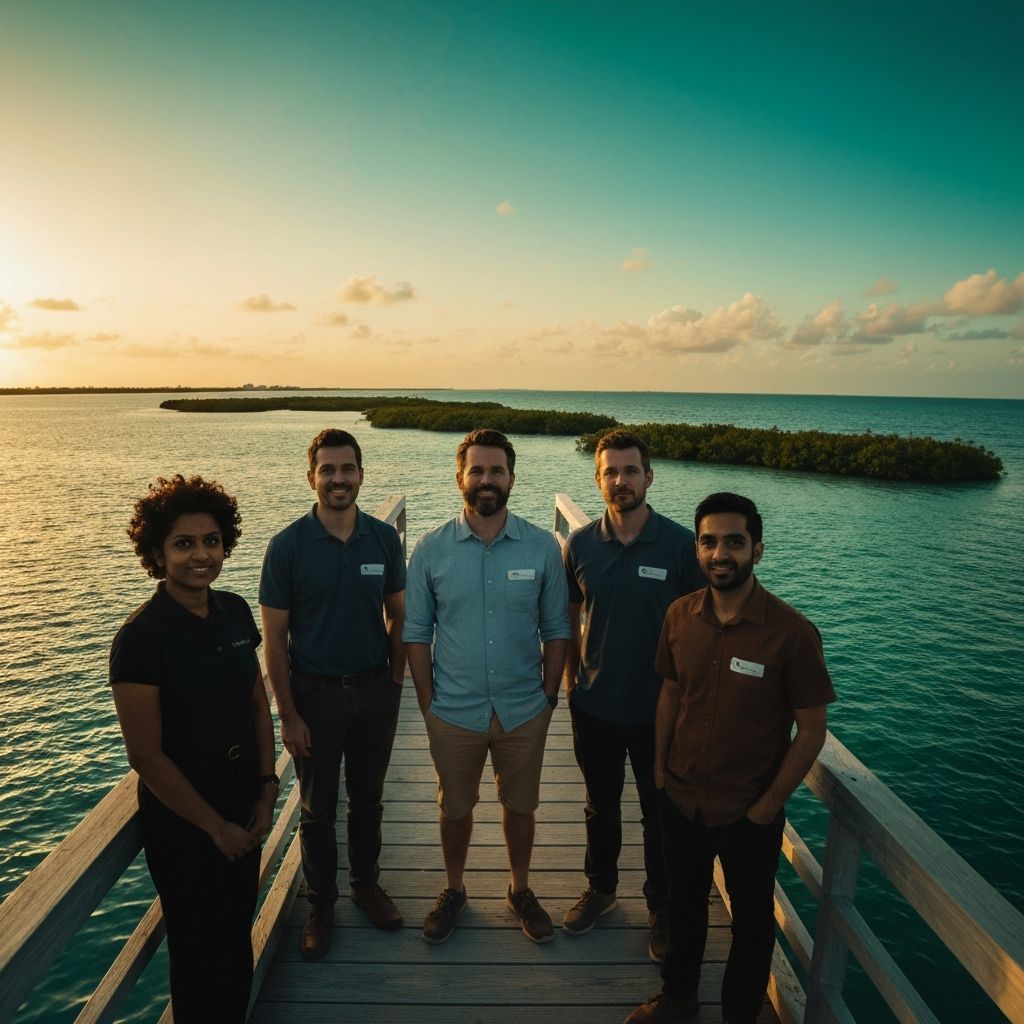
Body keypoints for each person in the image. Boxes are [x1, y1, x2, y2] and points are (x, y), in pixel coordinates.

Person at [626, 492, 836, 1024]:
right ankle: (678, 997)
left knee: (751, 925)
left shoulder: (792, 634)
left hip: (748, 810)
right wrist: (658, 769)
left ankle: (738, 1015)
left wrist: (768, 805)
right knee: (683, 906)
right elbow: (671, 693)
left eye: (734, 543)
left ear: (758, 551)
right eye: (709, 542)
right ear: (697, 550)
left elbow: (811, 730)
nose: (721, 554)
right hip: (682, 797)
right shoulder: (679, 615)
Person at [109, 475, 277, 1023]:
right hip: (185, 821)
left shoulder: (233, 611)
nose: (201, 555)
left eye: (211, 541)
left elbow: (256, 703)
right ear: (157, 552)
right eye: (183, 544)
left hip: (241, 799)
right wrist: (214, 827)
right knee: (197, 948)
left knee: (234, 935)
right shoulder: (141, 637)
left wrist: (267, 785)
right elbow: (146, 756)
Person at [403, 428, 571, 945]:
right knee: (455, 807)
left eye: (496, 470)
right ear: (460, 478)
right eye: (476, 470)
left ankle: (520, 888)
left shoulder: (543, 546)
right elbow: (415, 633)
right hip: (453, 710)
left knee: (521, 807)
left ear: (512, 478)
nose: (486, 479)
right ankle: (455, 890)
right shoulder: (431, 550)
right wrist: (428, 703)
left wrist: (547, 697)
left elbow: (558, 628)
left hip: (524, 708)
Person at [259, 429, 406, 958]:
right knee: (318, 808)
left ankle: (365, 886)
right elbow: (274, 640)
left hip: (374, 692)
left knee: (368, 799)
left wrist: (394, 682)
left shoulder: (383, 540)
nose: (338, 479)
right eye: (328, 469)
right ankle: (321, 902)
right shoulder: (288, 547)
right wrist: (288, 714)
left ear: (361, 475)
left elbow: (399, 615)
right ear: (312, 477)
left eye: (347, 469)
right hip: (313, 697)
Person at [561, 430, 704, 963]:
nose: (620, 481)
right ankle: (600, 889)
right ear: (598, 480)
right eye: (610, 472)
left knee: (658, 813)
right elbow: (568, 615)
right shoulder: (580, 544)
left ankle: (661, 909)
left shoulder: (678, 545)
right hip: (595, 707)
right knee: (600, 806)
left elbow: (699, 625)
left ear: (649, 476)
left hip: (658, 713)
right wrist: (574, 682)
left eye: (630, 470)